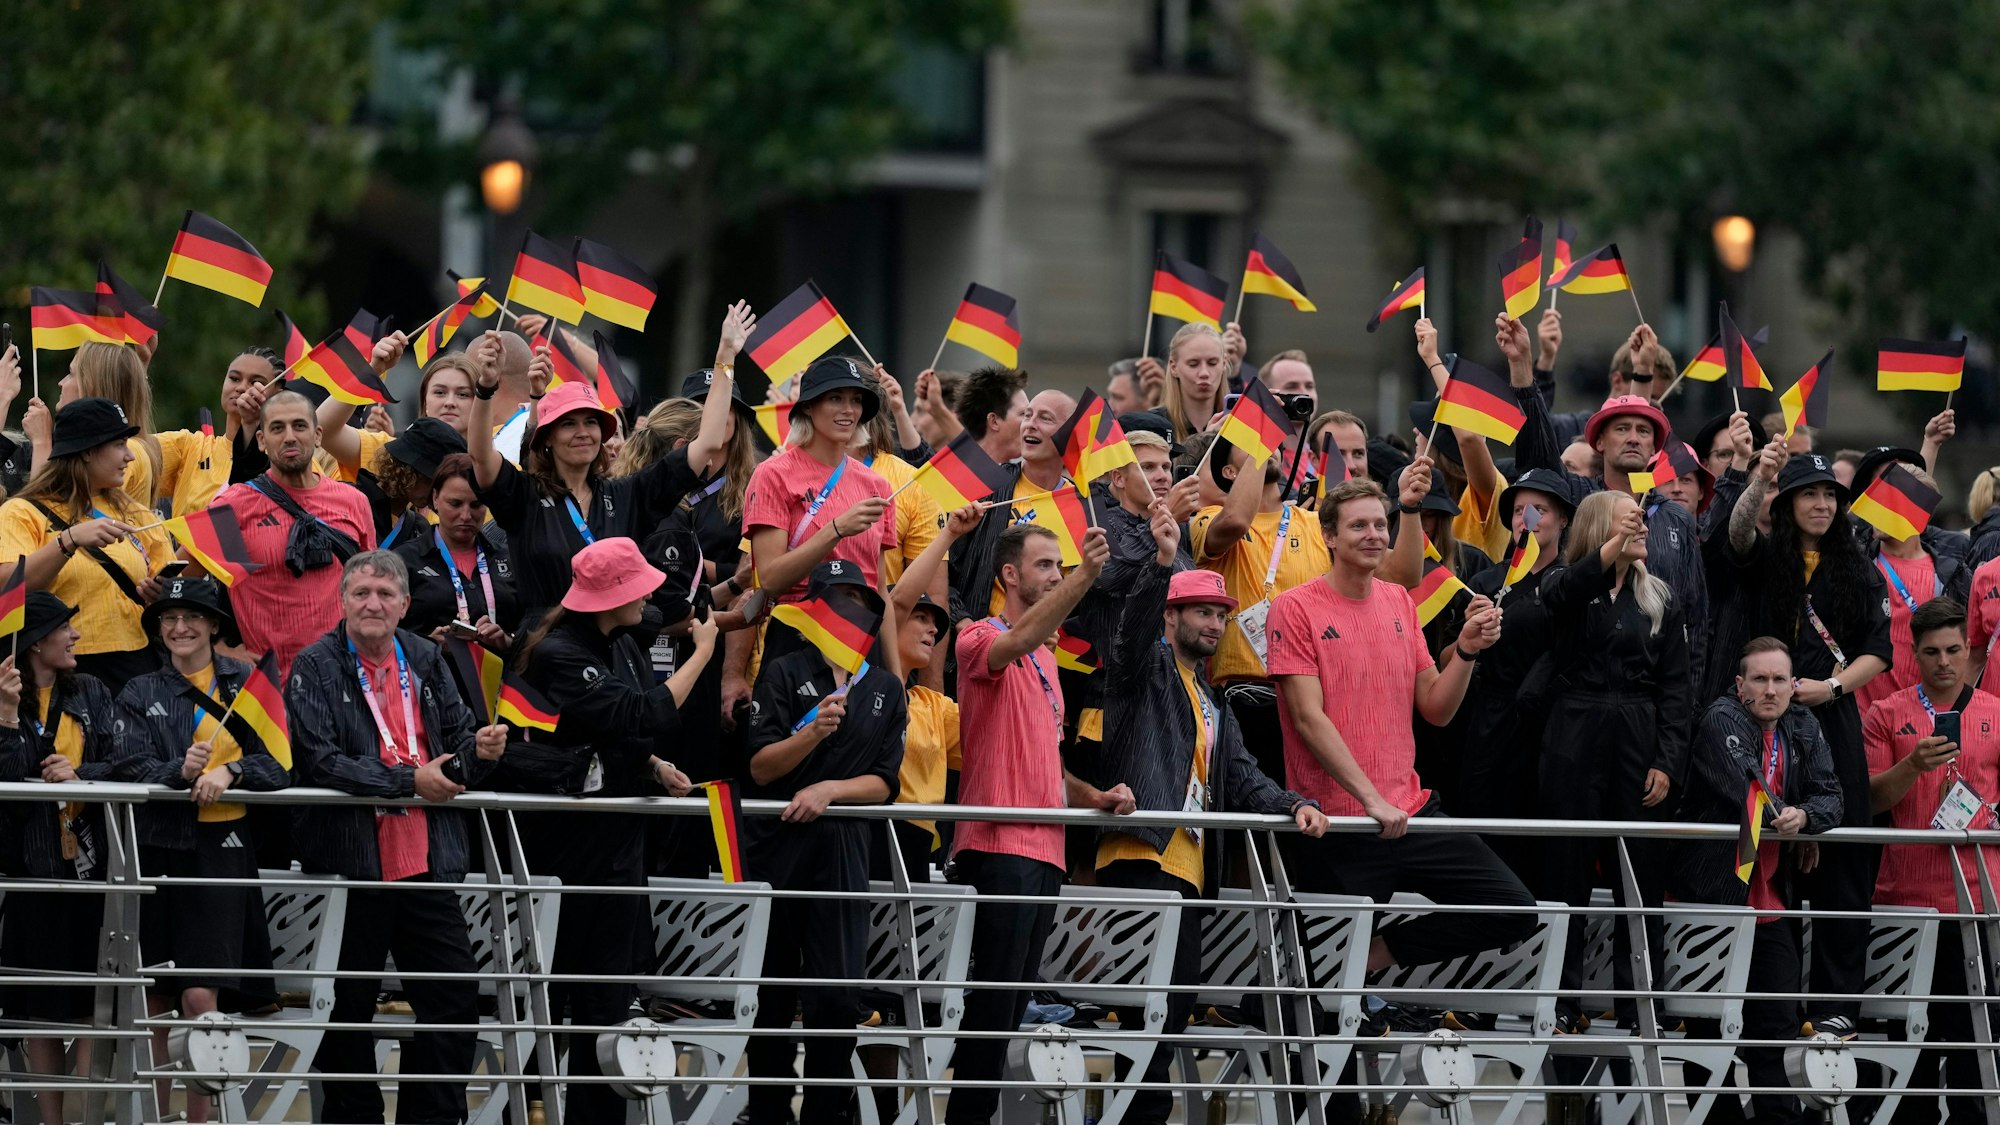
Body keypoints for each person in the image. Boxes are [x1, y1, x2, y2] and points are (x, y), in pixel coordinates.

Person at [1266, 478, 1534, 993]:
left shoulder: (1398, 602)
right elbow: (1307, 718)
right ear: (1329, 536)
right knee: (1315, 994)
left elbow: (1435, 707)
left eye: (1379, 525)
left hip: (1408, 810)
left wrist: (1468, 651)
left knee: (1513, 909)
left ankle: (1372, 958)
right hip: (1336, 822)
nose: (1373, 535)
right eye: (1358, 526)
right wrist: (1369, 800)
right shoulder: (1295, 606)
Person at [1097, 529, 1327, 1125]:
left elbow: (1245, 776)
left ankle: (1137, 1112)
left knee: (1173, 1008)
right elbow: (1128, 634)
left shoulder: (1213, 699)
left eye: (1222, 615)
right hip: (1142, 857)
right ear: (1170, 617)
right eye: (1202, 611)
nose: (1215, 624)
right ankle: (1139, 1115)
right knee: (1155, 1010)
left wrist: (1292, 804)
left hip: (1191, 870)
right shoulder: (1142, 670)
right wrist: (1162, 564)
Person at [286, 550, 508, 1125]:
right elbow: (319, 760)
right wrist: (408, 778)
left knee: (455, 1002)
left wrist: (478, 756)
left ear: (405, 604)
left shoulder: (428, 657)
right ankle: (354, 1119)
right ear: (342, 603)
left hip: (427, 861)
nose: (373, 604)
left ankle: (431, 1117)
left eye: (385, 594)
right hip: (351, 864)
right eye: (360, 593)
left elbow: (459, 744)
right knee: (346, 1010)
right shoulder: (314, 663)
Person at [509, 536, 714, 1122]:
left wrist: (650, 765)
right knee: (553, 995)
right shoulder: (557, 651)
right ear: (609, 598)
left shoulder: (616, 639)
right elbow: (638, 713)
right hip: (567, 848)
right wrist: (702, 653)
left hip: (616, 841)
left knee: (606, 999)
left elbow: (617, 733)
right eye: (638, 585)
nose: (649, 593)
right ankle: (520, 1111)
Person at [945, 523, 1136, 1125]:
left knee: (1009, 1010)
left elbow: (1048, 767)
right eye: (1046, 566)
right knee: (990, 1009)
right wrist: (1085, 577)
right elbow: (1014, 641)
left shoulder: (1049, 661)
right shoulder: (976, 635)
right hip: (996, 847)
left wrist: (1095, 798)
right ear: (1009, 575)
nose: (1056, 574)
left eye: (1062, 566)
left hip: (1046, 850)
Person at [1725, 445, 1891, 1039]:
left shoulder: (1859, 564)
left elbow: (1880, 650)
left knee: (1841, 856)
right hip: (1765, 720)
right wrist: (1760, 477)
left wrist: (1834, 687)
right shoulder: (1769, 558)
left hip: (1834, 718)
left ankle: (1837, 1005)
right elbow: (1735, 535)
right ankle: (1772, 1004)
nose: (1821, 504)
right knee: (1770, 855)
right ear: (1789, 503)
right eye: (1809, 495)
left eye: (1829, 496)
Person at [111, 577, 289, 1123]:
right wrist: (178, 772)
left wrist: (232, 770)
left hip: (222, 849)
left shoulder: (249, 681)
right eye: (168, 619)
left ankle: (201, 1120)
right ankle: (156, 1118)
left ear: (215, 625)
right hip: (158, 848)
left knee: (199, 999)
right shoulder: (138, 690)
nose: (179, 628)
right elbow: (126, 762)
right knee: (156, 1001)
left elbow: (283, 759)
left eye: (191, 617)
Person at [742, 559, 907, 1124]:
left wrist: (831, 789)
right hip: (781, 842)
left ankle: (826, 1109)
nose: (851, 611)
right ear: (815, 607)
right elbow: (760, 769)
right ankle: (766, 1108)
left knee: (837, 994)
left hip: (844, 846)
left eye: (860, 600)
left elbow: (886, 782)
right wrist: (811, 734)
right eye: (838, 599)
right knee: (773, 988)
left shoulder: (885, 685)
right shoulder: (784, 671)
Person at [470, 305, 740, 623]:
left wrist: (725, 358)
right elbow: (480, 457)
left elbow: (707, 441)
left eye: (592, 422)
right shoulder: (524, 497)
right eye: (568, 424)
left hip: (617, 657)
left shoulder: (626, 495)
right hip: (545, 659)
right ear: (546, 438)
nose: (583, 432)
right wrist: (486, 388)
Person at [1537, 490, 1694, 1031]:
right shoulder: (1564, 583)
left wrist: (1668, 761)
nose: (1643, 531)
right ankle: (1561, 1000)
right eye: (1630, 522)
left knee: (1642, 874)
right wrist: (1611, 549)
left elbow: (1678, 689)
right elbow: (1566, 595)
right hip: (1574, 733)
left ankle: (1641, 1001)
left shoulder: (1660, 598)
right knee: (1567, 872)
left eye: (1641, 524)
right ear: (1602, 529)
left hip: (1638, 732)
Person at [1674, 638, 1841, 1125]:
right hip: (1710, 899)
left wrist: (1806, 817)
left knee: (1777, 1029)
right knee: (1708, 1035)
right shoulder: (1721, 718)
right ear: (1740, 685)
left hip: (1769, 903)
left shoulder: (1804, 723)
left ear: (1794, 686)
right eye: (1759, 680)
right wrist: (1787, 815)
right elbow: (1746, 787)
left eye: (1779, 680)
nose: (1770, 690)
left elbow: (1831, 794)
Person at [1503, 313, 1709, 687]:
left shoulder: (1675, 518)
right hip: (1583, 687)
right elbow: (1538, 456)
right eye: (1622, 429)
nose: (1633, 437)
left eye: (1644, 431)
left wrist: (1689, 709)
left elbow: (1695, 619)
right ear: (1598, 442)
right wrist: (1522, 370)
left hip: (1653, 695)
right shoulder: (1579, 499)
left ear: (1654, 446)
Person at [1866, 597, 2000, 1117]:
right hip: (1906, 906)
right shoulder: (1886, 712)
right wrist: (1912, 768)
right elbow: (1872, 798)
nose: (1944, 662)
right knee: (1907, 1052)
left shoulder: (1994, 712)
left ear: (1969, 651)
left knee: (1974, 1044)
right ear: (1913, 656)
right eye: (1931, 652)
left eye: (1953, 650)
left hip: (1977, 903)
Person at [0, 593, 116, 1125]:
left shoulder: (90, 690)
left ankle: (86, 1118)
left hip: (93, 871)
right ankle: (51, 1120)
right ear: (35, 642)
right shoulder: (4, 696)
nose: (75, 636)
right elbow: (9, 779)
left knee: (98, 1009)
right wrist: (5, 716)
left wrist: (83, 776)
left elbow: (123, 758)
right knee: (40, 1012)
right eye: (65, 628)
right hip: (32, 872)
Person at [0, 397, 174, 690]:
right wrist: (68, 541)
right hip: (61, 672)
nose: (130, 456)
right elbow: (8, 586)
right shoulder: (22, 512)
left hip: (138, 668)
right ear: (87, 452)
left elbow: (171, 585)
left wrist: (162, 593)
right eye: (119, 445)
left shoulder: (136, 513)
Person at [1188, 433, 1331, 784]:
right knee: (1251, 820)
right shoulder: (1206, 519)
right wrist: (1258, 440)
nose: (1267, 444)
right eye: (1251, 441)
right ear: (1229, 470)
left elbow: (1402, 574)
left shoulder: (1317, 523)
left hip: (1316, 695)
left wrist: (1407, 507)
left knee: (1310, 815)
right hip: (1243, 698)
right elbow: (1235, 522)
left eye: (1270, 441)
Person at [206, 390, 377, 680]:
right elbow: (182, 578)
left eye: (299, 426)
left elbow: (372, 585)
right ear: (261, 441)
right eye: (277, 428)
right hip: (269, 689)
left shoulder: (354, 501)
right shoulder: (233, 506)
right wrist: (220, 649)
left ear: (318, 435)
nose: (289, 437)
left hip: (345, 680)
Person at [1455, 469, 1575, 871]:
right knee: (1488, 837)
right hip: (1490, 724)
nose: (1530, 519)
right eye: (1521, 510)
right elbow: (1445, 660)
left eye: (1541, 509)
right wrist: (1467, 636)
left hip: (1552, 726)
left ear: (1562, 520)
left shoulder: (1572, 582)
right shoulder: (1485, 582)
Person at [394, 453, 520, 645]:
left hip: (499, 672)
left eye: (476, 504)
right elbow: (385, 632)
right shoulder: (403, 561)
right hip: (431, 672)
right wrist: (426, 643)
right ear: (435, 498)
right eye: (455, 504)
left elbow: (533, 629)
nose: (466, 515)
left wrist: (508, 642)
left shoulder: (509, 558)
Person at [156, 344, 283, 517]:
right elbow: (123, 452)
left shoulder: (287, 459)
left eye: (256, 382)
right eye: (234, 378)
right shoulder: (189, 447)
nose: (241, 387)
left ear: (278, 396)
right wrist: (141, 366)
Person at [357, 416, 467, 549]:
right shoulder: (352, 502)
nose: (435, 492)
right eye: (431, 481)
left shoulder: (420, 527)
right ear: (407, 470)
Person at [1144, 322, 1240, 442]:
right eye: (1193, 364)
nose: (1204, 373)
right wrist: (1205, 440)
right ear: (1174, 367)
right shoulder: (1151, 426)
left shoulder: (1238, 425)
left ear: (1224, 364)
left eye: (1212, 363)